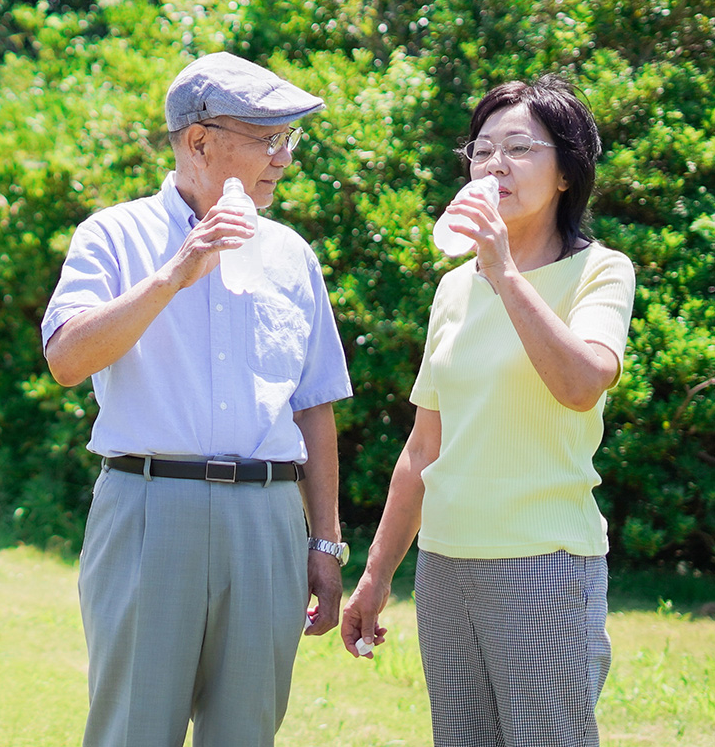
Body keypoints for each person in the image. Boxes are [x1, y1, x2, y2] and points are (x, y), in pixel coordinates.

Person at [42, 52, 353, 747]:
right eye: (268, 139)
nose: (283, 158)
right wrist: (176, 273)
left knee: (247, 733)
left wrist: (325, 541)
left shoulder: (291, 254)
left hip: (267, 521)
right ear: (200, 141)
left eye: (289, 140)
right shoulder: (112, 236)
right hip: (149, 510)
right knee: (134, 730)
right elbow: (66, 359)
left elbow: (315, 406)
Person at [341, 75, 636, 747]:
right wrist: (378, 574)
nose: (495, 165)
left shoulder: (600, 272)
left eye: (520, 148)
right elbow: (423, 449)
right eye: (481, 151)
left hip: (545, 559)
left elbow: (582, 382)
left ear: (567, 172)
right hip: (446, 566)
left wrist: (504, 272)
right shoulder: (453, 287)